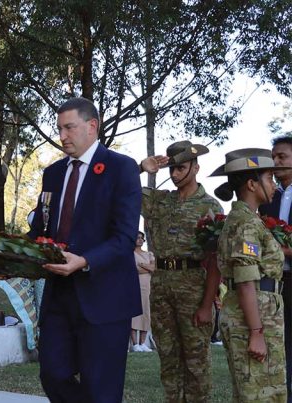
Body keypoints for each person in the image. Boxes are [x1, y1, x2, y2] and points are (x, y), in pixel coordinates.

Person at [27, 97, 142, 402]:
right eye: (59, 128)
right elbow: (40, 230)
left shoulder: (121, 168)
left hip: (104, 296)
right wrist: (3, 259)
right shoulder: (53, 173)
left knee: (100, 388)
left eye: (69, 127)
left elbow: (125, 236)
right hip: (59, 296)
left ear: (92, 126)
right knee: (53, 374)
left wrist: (85, 261)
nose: (62, 136)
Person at [139, 140, 223, 402]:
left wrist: (207, 304)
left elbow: (215, 259)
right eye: (171, 169)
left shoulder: (210, 207)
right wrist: (142, 168)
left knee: (197, 363)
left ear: (196, 168)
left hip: (194, 289)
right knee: (169, 360)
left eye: (181, 168)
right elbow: (117, 187)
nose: (174, 174)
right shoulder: (159, 201)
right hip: (162, 287)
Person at [212, 148, 288, 402]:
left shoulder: (250, 220)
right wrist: (256, 332)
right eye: (269, 179)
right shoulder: (245, 223)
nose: (274, 186)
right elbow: (245, 282)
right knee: (259, 395)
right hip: (253, 321)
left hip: (260, 316)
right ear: (252, 184)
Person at [258, 135, 292, 402]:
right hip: (272, 282)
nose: (276, 162)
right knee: (277, 345)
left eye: (282, 157)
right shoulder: (268, 196)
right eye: (274, 157)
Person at [131, 231, 155, 352]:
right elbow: (135, 270)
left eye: (142, 238)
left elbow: (153, 268)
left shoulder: (149, 254)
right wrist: (146, 266)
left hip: (147, 287)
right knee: (135, 314)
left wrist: (142, 264)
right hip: (135, 286)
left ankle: (143, 343)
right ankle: (135, 344)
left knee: (146, 312)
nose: (140, 240)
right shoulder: (130, 254)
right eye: (138, 237)